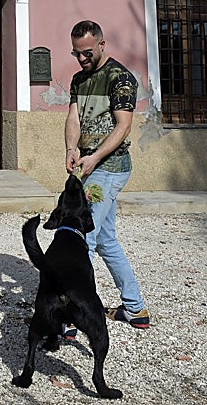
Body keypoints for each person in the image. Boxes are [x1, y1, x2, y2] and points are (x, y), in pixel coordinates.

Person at [64, 19, 150, 331]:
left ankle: (75, 316)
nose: (82, 58)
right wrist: (71, 148)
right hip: (90, 166)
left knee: (82, 238)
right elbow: (74, 116)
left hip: (109, 170)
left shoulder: (120, 78)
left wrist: (95, 157)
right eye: (76, 54)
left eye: (87, 52)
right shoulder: (78, 79)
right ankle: (135, 309)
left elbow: (123, 125)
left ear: (102, 44)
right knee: (106, 240)